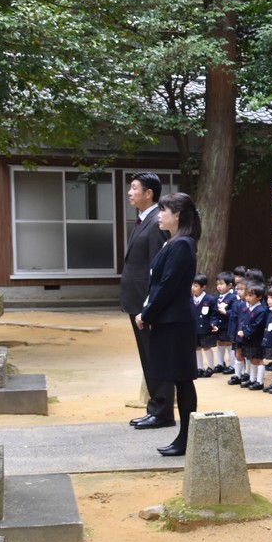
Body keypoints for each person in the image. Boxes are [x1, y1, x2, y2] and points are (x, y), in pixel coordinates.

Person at [134, 192, 201, 456]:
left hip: (175, 321)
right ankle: (184, 437)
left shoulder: (182, 244)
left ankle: (186, 438)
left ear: (178, 215)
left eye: (164, 210)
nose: (159, 214)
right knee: (178, 378)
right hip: (169, 320)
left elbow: (168, 286)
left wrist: (147, 313)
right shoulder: (173, 241)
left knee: (183, 380)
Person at [122, 172, 174, 431]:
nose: (130, 193)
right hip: (137, 301)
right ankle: (156, 407)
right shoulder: (144, 220)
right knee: (148, 356)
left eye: (134, 188)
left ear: (148, 193)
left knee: (156, 356)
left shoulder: (156, 222)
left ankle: (162, 411)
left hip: (147, 304)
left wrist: (150, 306)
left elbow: (158, 268)